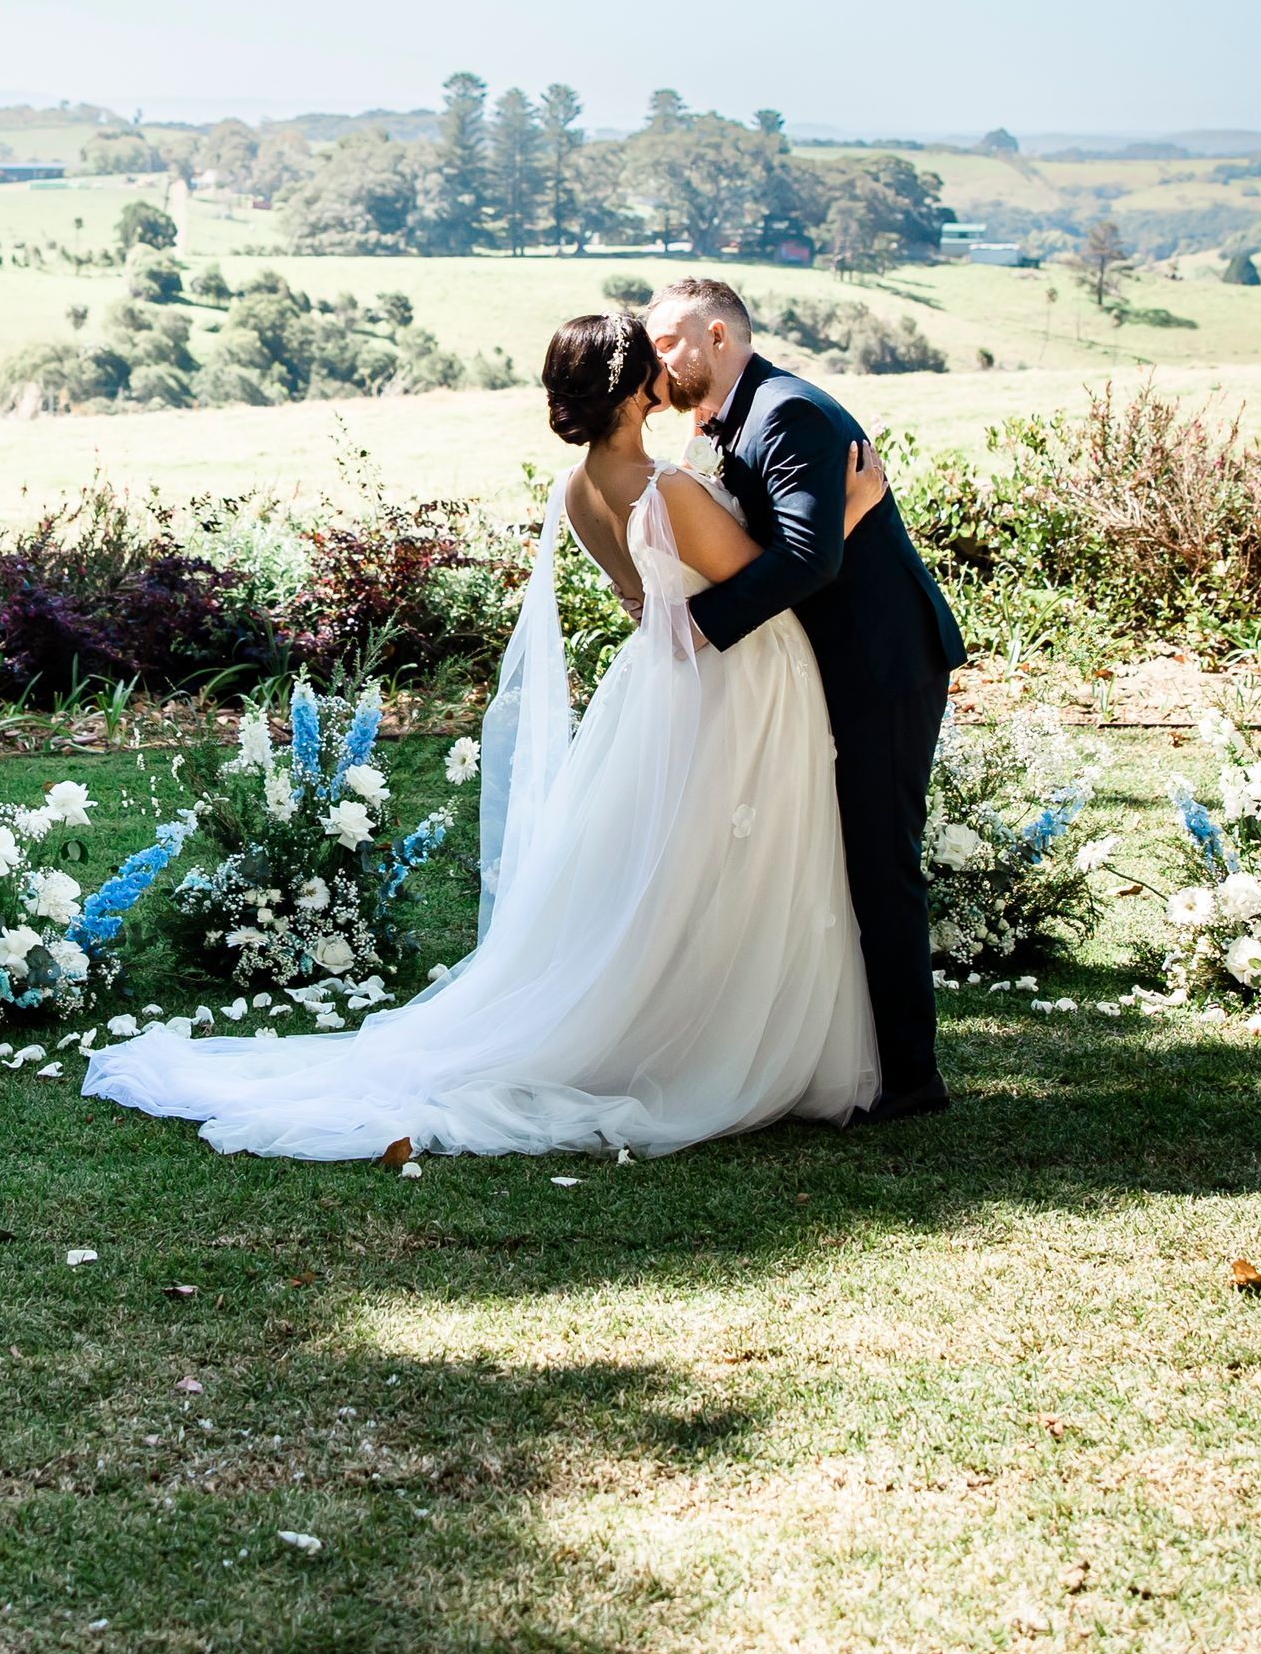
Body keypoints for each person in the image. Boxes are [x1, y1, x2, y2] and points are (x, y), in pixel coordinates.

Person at [83, 311, 889, 1159]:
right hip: (739, 682)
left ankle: (675, 1010)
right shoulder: (668, 490)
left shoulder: (580, 490)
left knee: (671, 865)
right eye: (648, 356)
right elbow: (764, 581)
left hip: (663, 686)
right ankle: (708, 1035)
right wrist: (852, 507)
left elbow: (644, 604)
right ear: (628, 389)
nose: (664, 362)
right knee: (725, 861)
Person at [642, 276, 965, 1121]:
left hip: (880, 664)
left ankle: (910, 1077)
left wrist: (695, 629)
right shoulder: (719, 421)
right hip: (816, 666)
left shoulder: (789, 412)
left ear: (719, 334)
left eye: (669, 341)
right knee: (828, 851)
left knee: (878, 858)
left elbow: (807, 560)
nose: (658, 358)